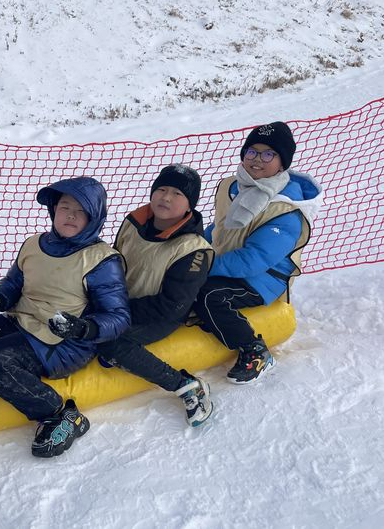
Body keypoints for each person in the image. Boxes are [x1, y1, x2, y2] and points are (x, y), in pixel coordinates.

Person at [0, 176, 130, 458]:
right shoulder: (34, 244)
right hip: (20, 321)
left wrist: (83, 328)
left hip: (63, 343)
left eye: (80, 210)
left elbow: (118, 316)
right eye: (65, 207)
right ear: (54, 209)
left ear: (93, 217)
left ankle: (59, 413)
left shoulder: (101, 260)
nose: (70, 215)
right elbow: (13, 284)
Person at [191, 121, 323, 383]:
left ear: (282, 163)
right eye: (252, 151)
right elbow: (218, 228)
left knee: (209, 295)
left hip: (263, 277)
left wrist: (204, 267)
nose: (257, 159)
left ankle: (254, 349)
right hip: (226, 259)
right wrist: (193, 251)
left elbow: (254, 260)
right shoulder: (233, 186)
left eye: (268, 154)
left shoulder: (286, 209)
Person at [97, 164, 215, 427]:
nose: (166, 197)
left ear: (190, 205)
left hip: (159, 315)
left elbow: (172, 306)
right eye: (161, 189)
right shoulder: (134, 222)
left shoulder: (193, 250)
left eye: (177, 194)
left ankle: (185, 385)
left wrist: (117, 313)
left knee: (110, 341)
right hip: (119, 301)